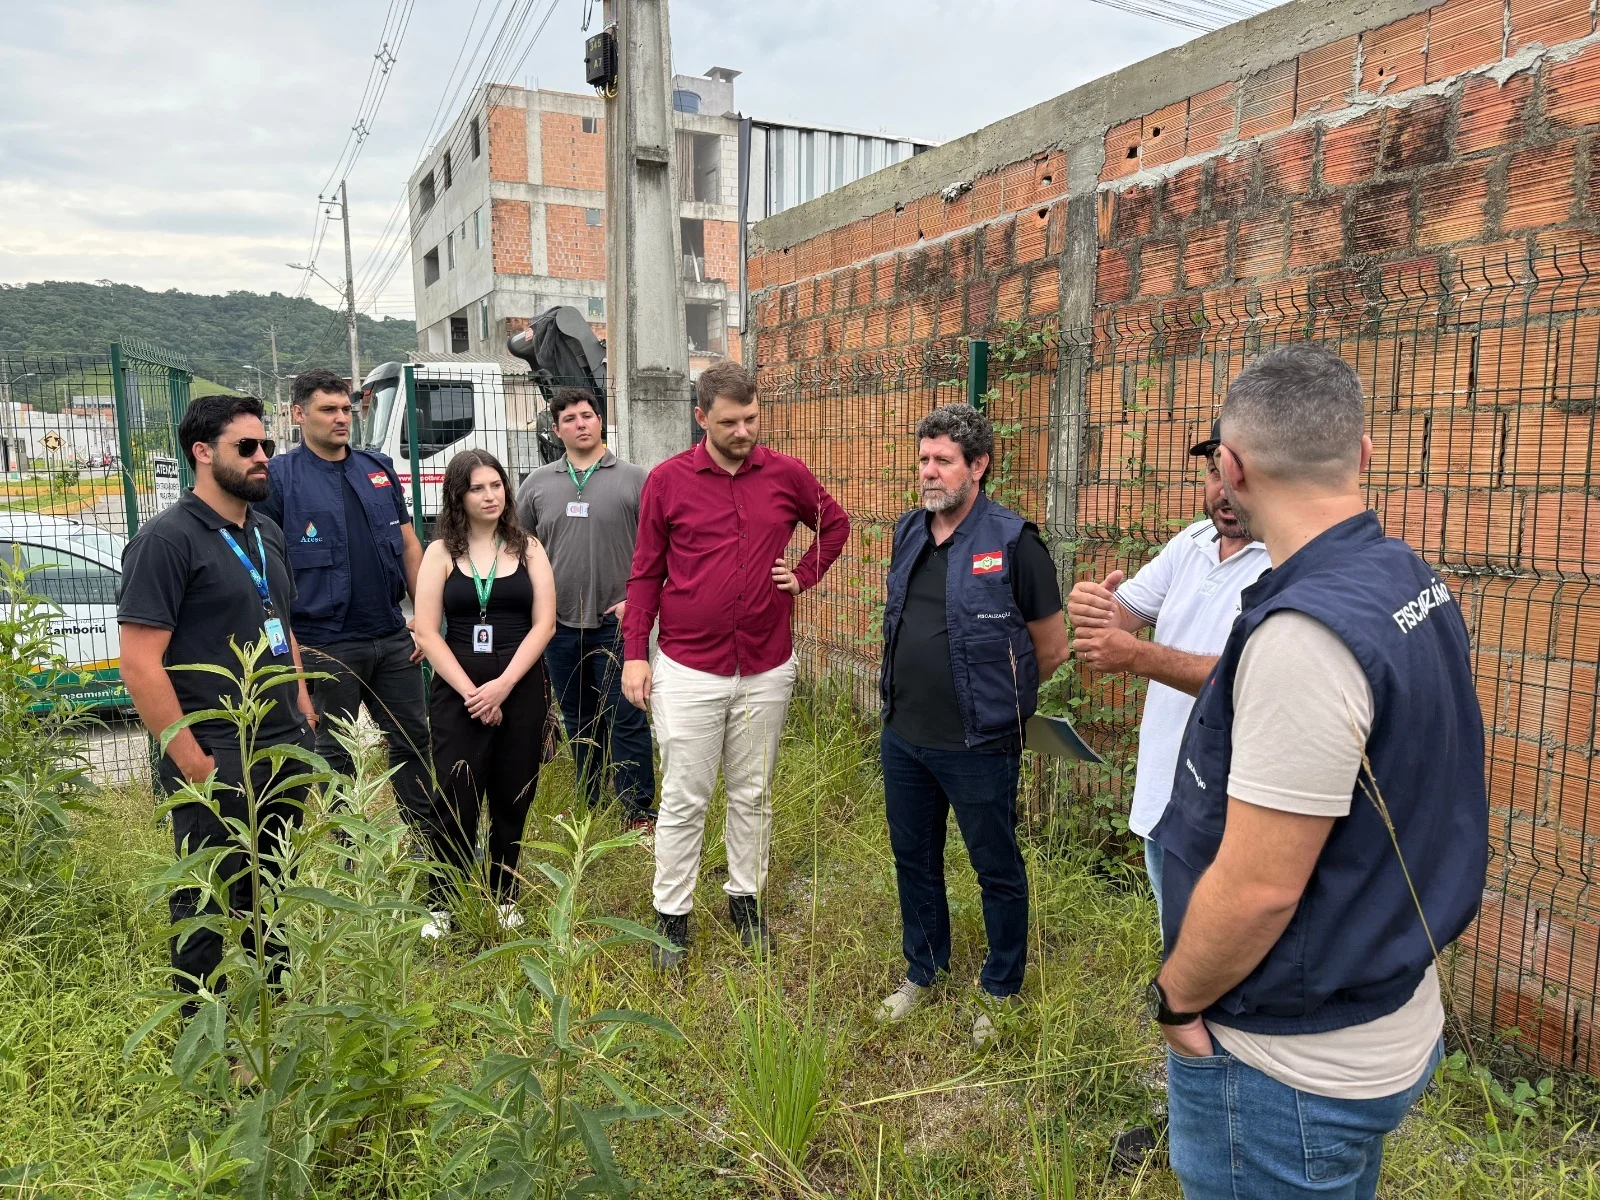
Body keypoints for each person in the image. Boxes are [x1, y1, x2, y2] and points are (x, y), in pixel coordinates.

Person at [1148, 345, 1487, 1199]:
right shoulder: (1410, 578)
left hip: (1287, 1066)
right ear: (1362, 455)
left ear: (1230, 469)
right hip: (1386, 1008)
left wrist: (1177, 1002)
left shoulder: (1303, 637)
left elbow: (1261, 888)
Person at [622, 361, 849, 967]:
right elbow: (645, 573)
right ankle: (671, 915)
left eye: (752, 418)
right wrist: (635, 655)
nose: (745, 431)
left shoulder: (785, 474)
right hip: (689, 667)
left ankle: (745, 900)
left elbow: (835, 524)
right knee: (684, 796)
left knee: (752, 792)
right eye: (730, 422)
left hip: (766, 665)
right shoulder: (668, 481)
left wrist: (802, 575)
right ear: (702, 419)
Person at [875, 403, 1071, 1046]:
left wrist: (1002, 709)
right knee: (914, 859)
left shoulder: (1015, 543)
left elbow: (1052, 646)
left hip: (979, 743)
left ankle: (1002, 985)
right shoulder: (909, 530)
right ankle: (922, 971)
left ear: (978, 466)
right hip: (905, 736)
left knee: (995, 865)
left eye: (943, 462)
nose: (929, 472)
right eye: (924, 459)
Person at [117, 393, 317, 1008]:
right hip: (216, 750)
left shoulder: (267, 534)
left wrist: (304, 707)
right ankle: (205, 1043)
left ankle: (272, 1026)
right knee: (206, 899)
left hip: (280, 742)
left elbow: (282, 626)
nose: (263, 459)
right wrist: (191, 761)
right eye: (247, 448)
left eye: (267, 447)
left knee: (272, 890)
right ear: (203, 453)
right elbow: (139, 661)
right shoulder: (167, 540)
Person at [1067, 419, 1269, 916]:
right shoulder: (1193, 540)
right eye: (1214, 472)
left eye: (1238, 474)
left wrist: (1133, 656)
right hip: (1165, 788)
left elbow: (1249, 675)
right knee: (1174, 933)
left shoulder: (1284, 561)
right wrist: (1095, 606)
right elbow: (1126, 612)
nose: (1225, 491)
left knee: (1218, 951)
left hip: (1226, 803)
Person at [260, 368, 432, 835]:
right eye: (328, 410)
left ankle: (431, 845)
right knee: (335, 757)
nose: (342, 419)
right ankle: (351, 860)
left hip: (393, 639)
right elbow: (265, 575)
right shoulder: (278, 479)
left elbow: (410, 545)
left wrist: (425, 621)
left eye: (347, 410)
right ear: (298, 414)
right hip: (324, 646)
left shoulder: (377, 469)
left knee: (414, 742)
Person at [412, 449, 556, 937]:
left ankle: (504, 894)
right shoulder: (439, 554)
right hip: (459, 693)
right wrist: (475, 693)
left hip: (520, 688)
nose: (490, 495)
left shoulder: (529, 548)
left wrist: (502, 687)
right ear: (458, 495)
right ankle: (441, 901)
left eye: (496, 485)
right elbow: (428, 632)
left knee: (513, 793)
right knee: (456, 795)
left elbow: (545, 624)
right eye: (478, 488)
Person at [515, 386, 655, 831]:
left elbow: (662, 547)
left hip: (618, 622)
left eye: (588, 415)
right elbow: (519, 548)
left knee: (626, 717)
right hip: (557, 627)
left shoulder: (636, 478)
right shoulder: (538, 484)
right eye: (570, 418)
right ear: (557, 431)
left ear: (600, 421)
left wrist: (639, 601)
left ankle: (636, 811)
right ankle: (590, 803)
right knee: (579, 720)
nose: (581, 423)